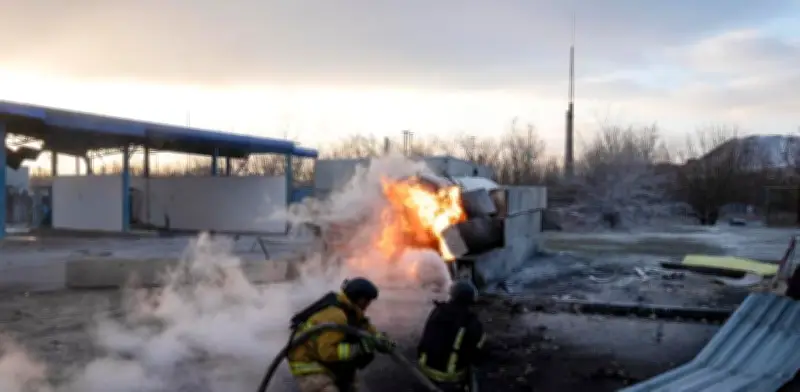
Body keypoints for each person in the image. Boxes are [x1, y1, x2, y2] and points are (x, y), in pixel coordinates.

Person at [287, 277, 396, 392]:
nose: (368, 305)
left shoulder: (351, 311)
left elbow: (366, 329)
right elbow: (327, 353)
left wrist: (381, 340)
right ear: (359, 299)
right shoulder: (336, 315)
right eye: (367, 301)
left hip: (329, 365)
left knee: (352, 386)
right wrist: (360, 348)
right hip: (310, 364)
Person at [416, 280, 486, 392]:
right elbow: (477, 355)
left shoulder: (438, 310)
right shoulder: (470, 321)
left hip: (424, 367)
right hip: (449, 375)